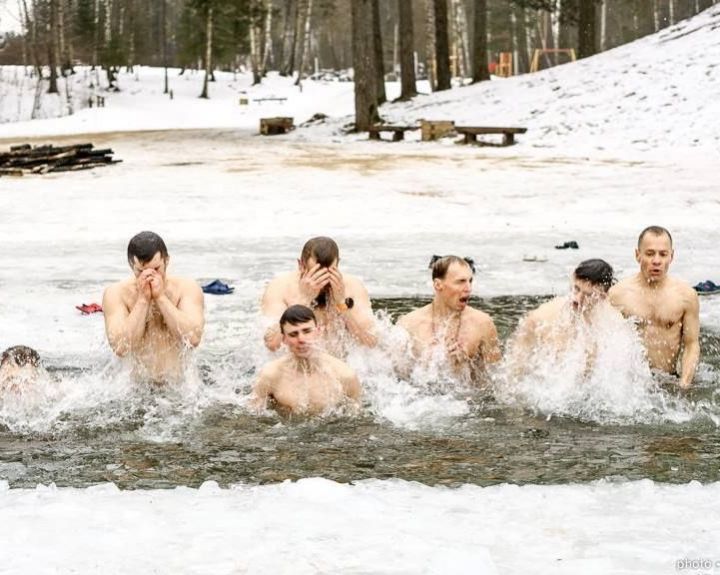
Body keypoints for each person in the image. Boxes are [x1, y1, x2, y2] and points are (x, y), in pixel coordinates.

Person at [102, 231, 205, 383]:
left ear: (167, 261)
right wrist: (143, 300)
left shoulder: (187, 288)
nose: (150, 276)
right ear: (132, 266)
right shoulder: (116, 293)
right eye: (141, 272)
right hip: (135, 390)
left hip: (178, 387)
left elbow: (193, 338)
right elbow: (120, 347)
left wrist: (161, 298)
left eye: (156, 269)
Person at [609, 226, 700, 389]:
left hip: (669, 380)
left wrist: (684, 385)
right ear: (638, 255)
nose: (656, 261)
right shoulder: (618, 295)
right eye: (650, 253)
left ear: (671, 256)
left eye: (663, 254)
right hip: (632, 386)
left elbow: (692, 344)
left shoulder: (686, 296)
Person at [261, 236, 375, 356]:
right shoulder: (280, 288)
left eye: (329, 273)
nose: (323, 282)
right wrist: (302, 301)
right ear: (301, 265)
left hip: (340, 365)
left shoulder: (352, 286)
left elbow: (370, 342)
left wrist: (341, 304)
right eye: (316, 274)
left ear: (338, 265)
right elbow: (272, 344)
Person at [397, 255, 500, 381]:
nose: (468, 288)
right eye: (461, 281)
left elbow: (495, 381)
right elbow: (396, 379)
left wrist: (465, 367)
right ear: (438, 285)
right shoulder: (408, 324)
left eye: (470, 281)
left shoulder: (483, 324)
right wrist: (423, 365)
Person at [506, 259, 618, 370]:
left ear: (602, 297)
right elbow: (515, 368)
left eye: (588, 295)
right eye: (576, 289)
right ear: (573, 279)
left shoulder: (613, 323)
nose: (577, 299)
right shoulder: (542, 318)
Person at [252, 305, 362, 416]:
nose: (301, 339)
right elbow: (253, 417)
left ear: (318, 332)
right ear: (284, 339)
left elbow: (358, 421)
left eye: (307, 331)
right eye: (293, 334)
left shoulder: (345, 376)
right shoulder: (271, 376)